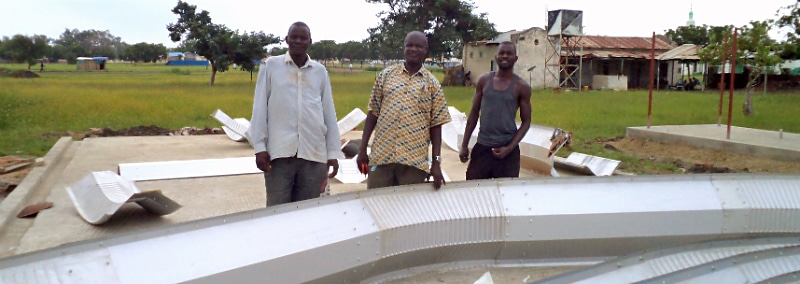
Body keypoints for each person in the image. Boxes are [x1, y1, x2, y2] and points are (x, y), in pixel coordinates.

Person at [249, 21, 343, 207]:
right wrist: (259, 147)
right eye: (294, 37)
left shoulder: (320, 72)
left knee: (308, 212)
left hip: (313, 155)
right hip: (279, 154)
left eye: (303, 37)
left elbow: (328, 113)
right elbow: (259, 109)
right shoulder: (271, 67)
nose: (298, 41)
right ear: (287, 40)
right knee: (277, 211)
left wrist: (332, 152)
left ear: (310, 41)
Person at [356, 31, 452, 190]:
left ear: (425, 50)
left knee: (408, 212)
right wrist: (362, 149)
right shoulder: (386, 76)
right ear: (404, 48)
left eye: (418, 46)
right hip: (382, 157)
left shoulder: (432, 84)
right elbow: (373, 112)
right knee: (376, 207)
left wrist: (436, 163)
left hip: (414, 163)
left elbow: (436, 126)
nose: (413, 49)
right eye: (410, 45)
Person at [459, 41, 532, 180]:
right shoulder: (484, 81)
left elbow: (526, 122)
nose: (505, 56)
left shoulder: (521, 87)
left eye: (509, 53)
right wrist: (464, 145)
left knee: (505, 195)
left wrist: (509, 148)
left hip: (508, 152)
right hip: (482, 148)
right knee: (474, 191)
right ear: (496, 57)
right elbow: (474, 113)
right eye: (501, 53)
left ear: (515, 58)